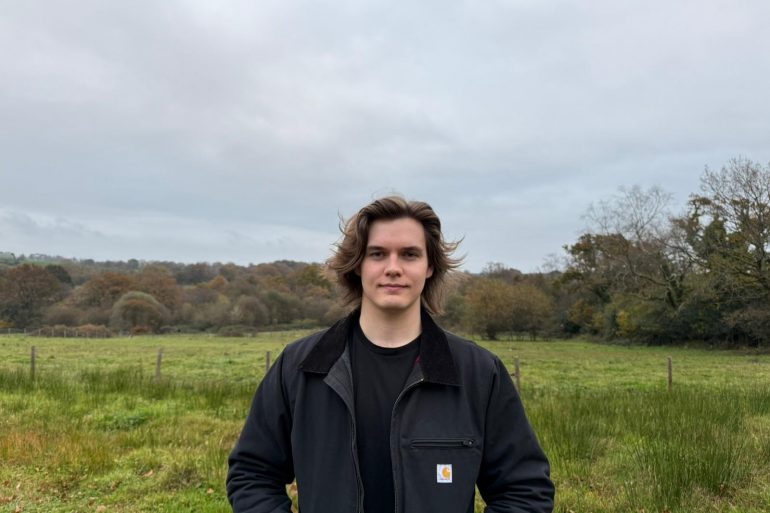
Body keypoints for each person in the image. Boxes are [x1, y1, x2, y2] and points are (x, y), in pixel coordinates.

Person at [227, 196, 554, 513]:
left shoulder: (479, 373)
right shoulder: (299, 367)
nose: (393, 268)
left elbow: (524, 491)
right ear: (358, 266)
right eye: (378, 254)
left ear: (429, 267)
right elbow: (253, 473)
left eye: (410, 254)